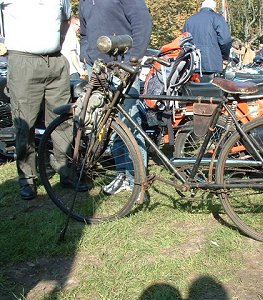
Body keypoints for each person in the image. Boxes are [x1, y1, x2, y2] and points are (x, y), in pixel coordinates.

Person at [0, 0, 72, 200]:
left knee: (63, 120)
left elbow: (66, 20)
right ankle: (27, 178)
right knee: (25, 123)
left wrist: (58, 42)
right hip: (23, 61)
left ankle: (65, 170)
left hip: (56, 61)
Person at [79, 0, 152, 195]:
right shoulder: (84, 1)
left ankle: (136, 178)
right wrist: (85, 55)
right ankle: (122, 175)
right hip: (98, 69)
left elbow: (142, 23)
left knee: (130, 121)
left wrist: (132, 60)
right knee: (108, 125)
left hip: (122, 67)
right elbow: (85, 34)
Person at [182, 0, 232, 75]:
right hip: (212, 62)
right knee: (211, 85)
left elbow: (184, 41)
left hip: (192, 63)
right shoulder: (217, 18)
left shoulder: (189, 20)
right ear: (214, 8)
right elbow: (225, 40)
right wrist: (224, 56)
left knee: (193, 85)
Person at [61, 15, 85, 80]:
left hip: (66, 70)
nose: (79, 29)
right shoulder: (71, 35)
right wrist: (80, 70)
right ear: (73, 24)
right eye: (79, 26)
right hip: (73, 71)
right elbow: (73, 54)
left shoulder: (65, 33)